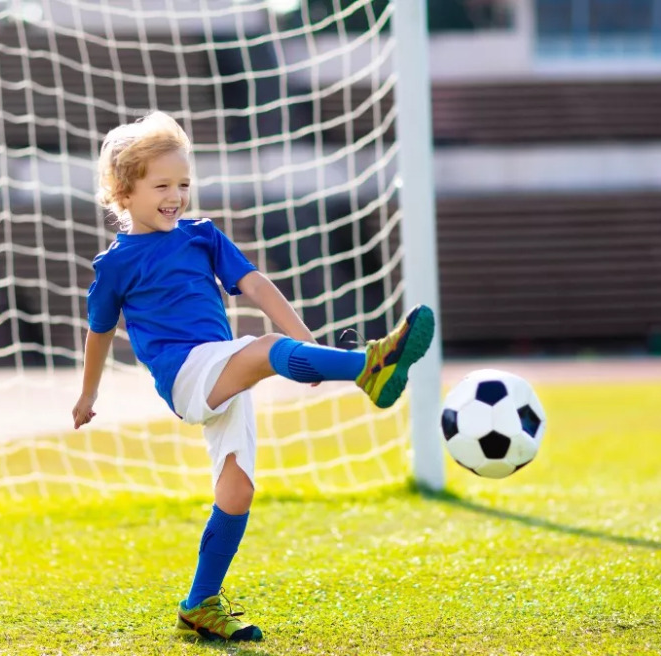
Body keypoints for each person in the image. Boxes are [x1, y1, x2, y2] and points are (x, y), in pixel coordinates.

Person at [71, 111, 435, 642]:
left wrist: (307, 345)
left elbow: (256, 285)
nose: (176, 196)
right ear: (124, 192)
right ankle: (368, 367)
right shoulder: (116, 264)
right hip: (185, 375)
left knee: (237, 491)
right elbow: (99, 333)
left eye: (184, 184)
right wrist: (88, 395)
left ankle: (200, 603)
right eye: (162, 185)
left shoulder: (201, 236)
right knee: (263, 350)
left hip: (222, 368)